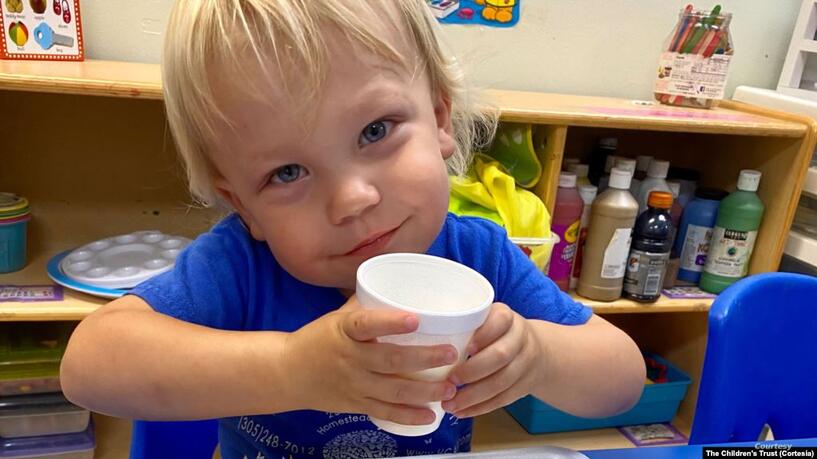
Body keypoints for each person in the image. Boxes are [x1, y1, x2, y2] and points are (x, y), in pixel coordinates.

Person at [60, 1, 645, 457]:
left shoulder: (476, 257)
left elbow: (621, 380)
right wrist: (291, 367)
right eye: (287, 173)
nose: (352, 199)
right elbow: (90, 366)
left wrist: (539, 357)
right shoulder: (240, 267)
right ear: (244, 207)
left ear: (439, 118)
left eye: (375, 131)